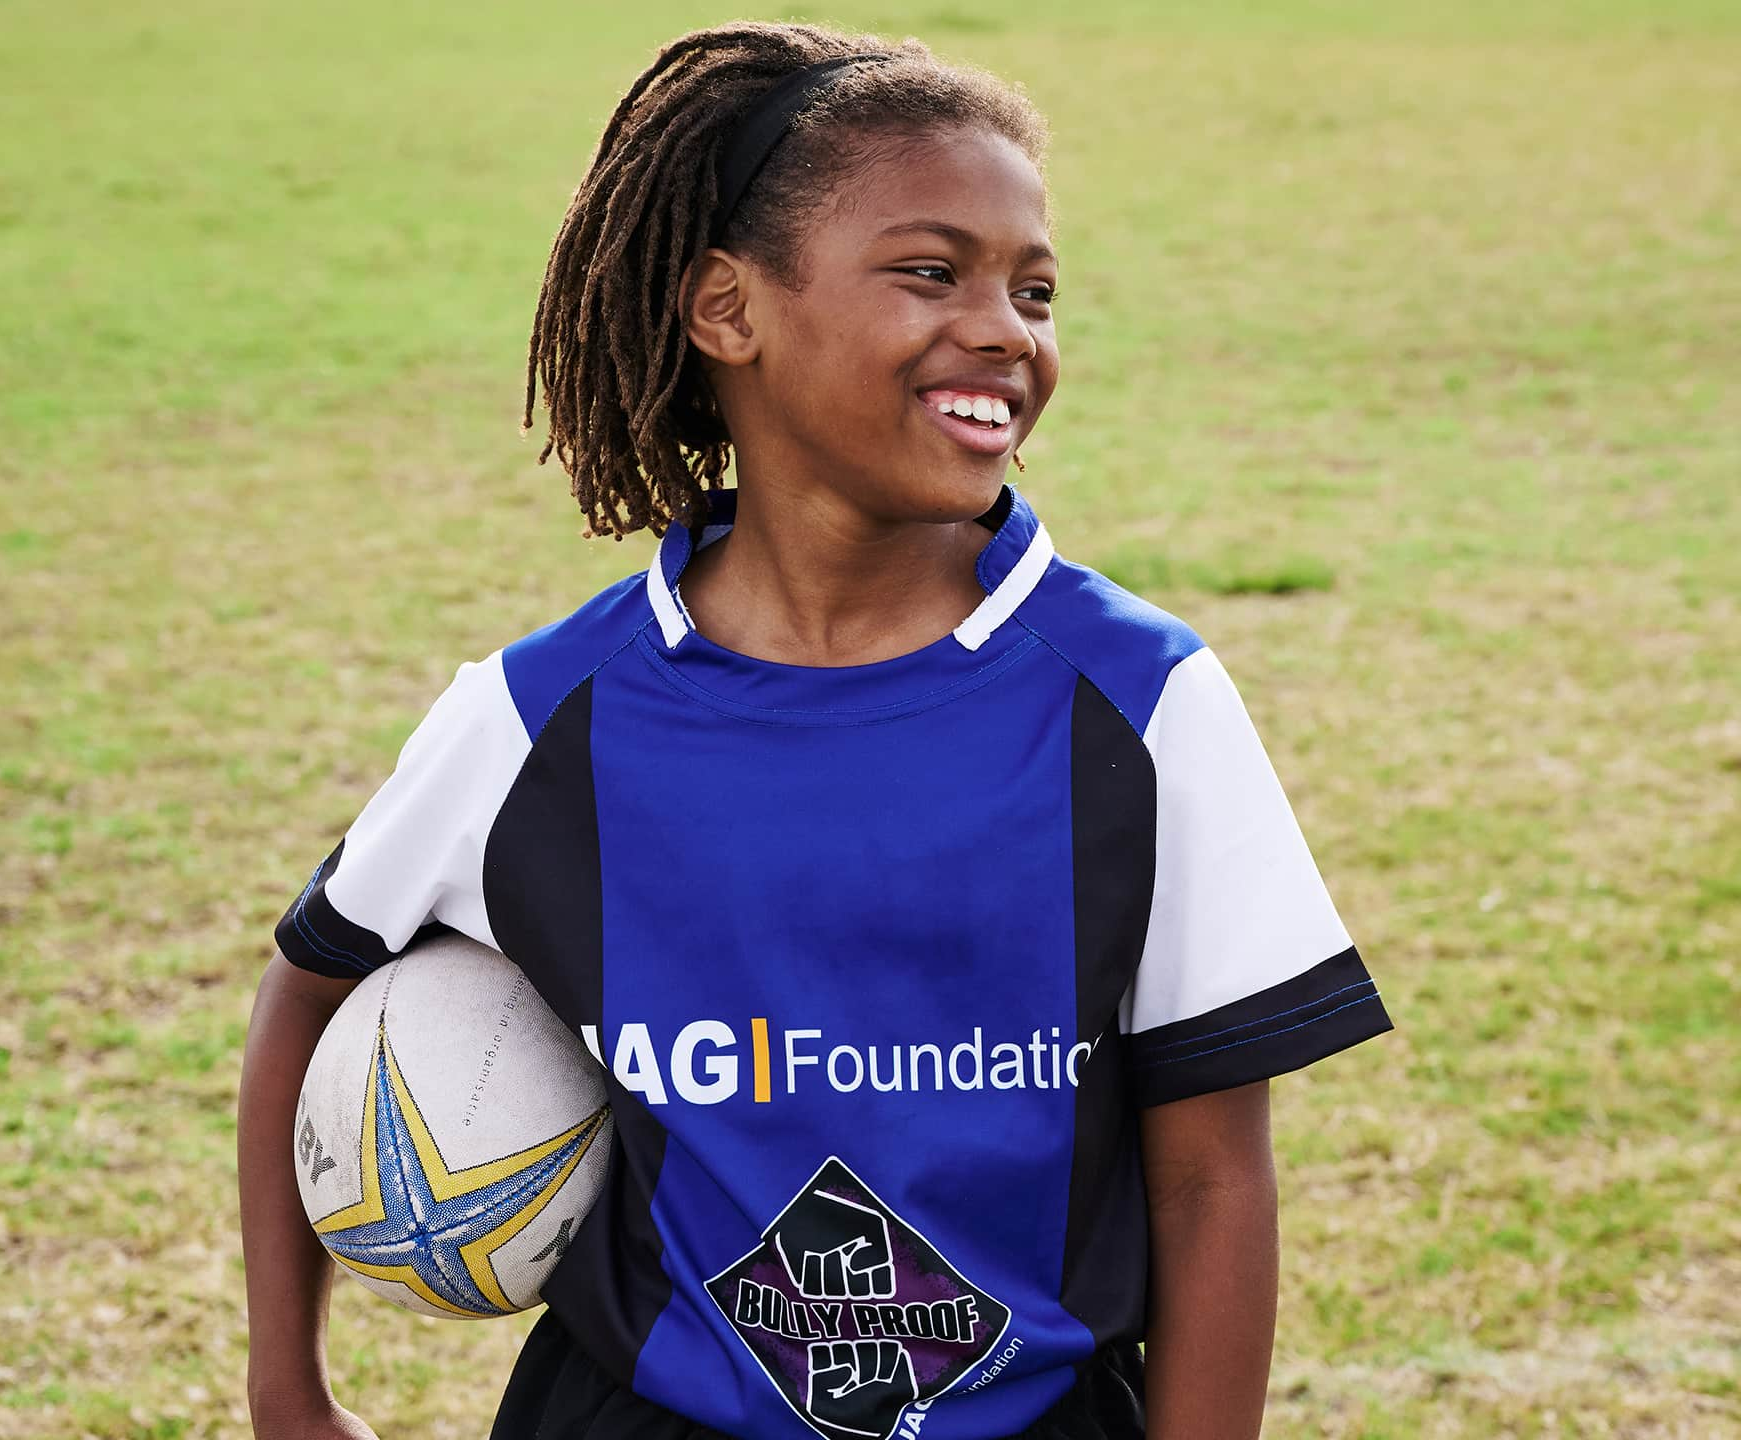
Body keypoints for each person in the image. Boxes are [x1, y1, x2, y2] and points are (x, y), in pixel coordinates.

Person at [239, 20, 1394, 1440]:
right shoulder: (547, 715)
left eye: (1036, 290)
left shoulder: (1138, 702)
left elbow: (1215, 1174)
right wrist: (289, 1388)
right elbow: (309, 988)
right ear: (727, 308)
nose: (1004, 329)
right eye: (930, 271)